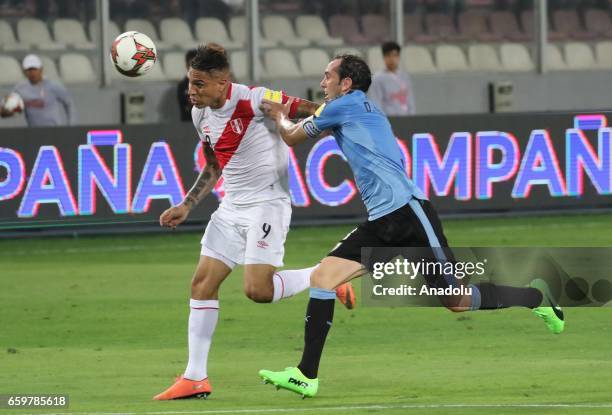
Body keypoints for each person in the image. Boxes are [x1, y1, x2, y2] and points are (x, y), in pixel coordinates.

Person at [257, 54, 565, 398]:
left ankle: (536, 296)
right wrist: (296, 108)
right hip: (382, 221)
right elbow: (318, 110)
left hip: (409, 214)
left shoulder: (344, 106)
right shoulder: (354, 105)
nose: (322, 80)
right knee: (323, 277)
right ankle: (306, 375)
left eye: (328, 75)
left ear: (346, 83)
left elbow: (291, 137)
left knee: (456, 300)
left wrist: (281, 115)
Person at [153, 44, 355, 401]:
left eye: (199, 84)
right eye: (190, 83)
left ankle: (326, 275)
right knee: (201, 284)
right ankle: (195, 377)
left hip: (267, 205)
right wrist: (187, 204)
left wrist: (321, 122)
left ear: (223, 81)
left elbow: (317, 111)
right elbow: (215, 164)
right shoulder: (201, 116)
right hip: (231, 208)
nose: (191, 92)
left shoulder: (257, 98)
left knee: (258, 291)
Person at [0, 54, 76, 126]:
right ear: (24, 72)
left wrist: (71, 124)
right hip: (34, 132)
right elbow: (4, 109)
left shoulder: (53, 86)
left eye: (35, 69)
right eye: (29, 70)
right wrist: (8, 111)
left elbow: (69, 102)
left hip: (54, 130)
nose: (32, 72)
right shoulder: (20, 89)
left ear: (41, 69)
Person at [368, 41, 416, 116]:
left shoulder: (405, 76)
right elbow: (376, 102)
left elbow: (410, 100)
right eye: (389, 56)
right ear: (384, 57)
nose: (392, 59)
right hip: (389, 120)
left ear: (399, 57)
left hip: (406, 119)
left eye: (395, 55)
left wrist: (412, 118)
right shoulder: (378, 78)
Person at [177, 49, 197, 121]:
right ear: (186, 65)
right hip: (187, 124)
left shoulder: (208, 84)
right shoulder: (182, 85)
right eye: (190, 65)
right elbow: (184, 107)